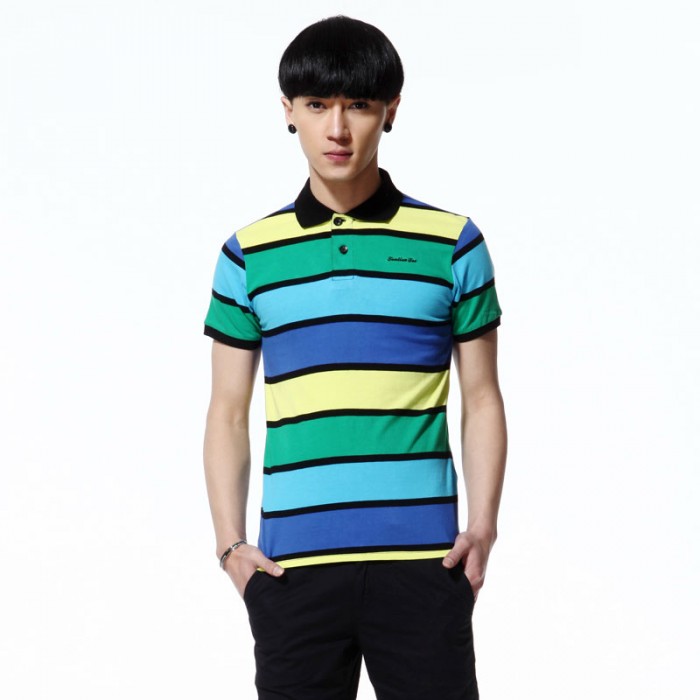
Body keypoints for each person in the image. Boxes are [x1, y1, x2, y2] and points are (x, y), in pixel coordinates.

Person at [203, 15, 507, 700]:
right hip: (293, 571)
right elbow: (226, 411)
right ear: (288, 111)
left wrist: (483, 528)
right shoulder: (247, 255)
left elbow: (483, 396)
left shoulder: (453, 243)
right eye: (317, 105)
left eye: (359, 105)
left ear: (390, 111)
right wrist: (230, 546)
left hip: (423, 563)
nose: (337, 129)